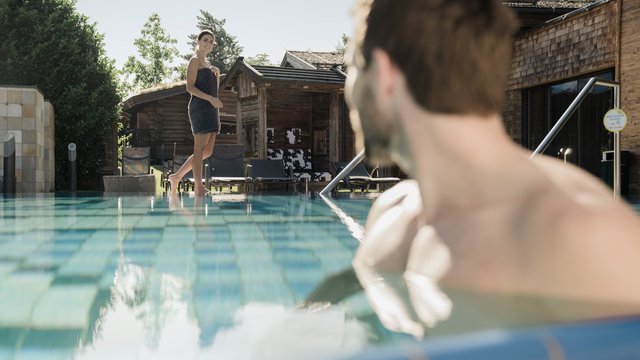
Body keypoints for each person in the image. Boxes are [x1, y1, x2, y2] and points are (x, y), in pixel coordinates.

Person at [344, 0, 640, 336]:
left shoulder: (577, 231)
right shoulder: (389, 211)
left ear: (384, 75)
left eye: (352, 67)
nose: (348, 92)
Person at [169, 29, 223, 195]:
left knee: (208, 151)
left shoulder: (209, 65)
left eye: (211, 42)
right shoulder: (194, 61)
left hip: (212, 108)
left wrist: (217, 73)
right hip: (200, 108)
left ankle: (177, 176)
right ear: (198, 42)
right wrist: (210, 99)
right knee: (199, 149)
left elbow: (215, 89)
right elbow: (189, 87)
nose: (208, 43)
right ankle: (199, 187)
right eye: (205, 40)